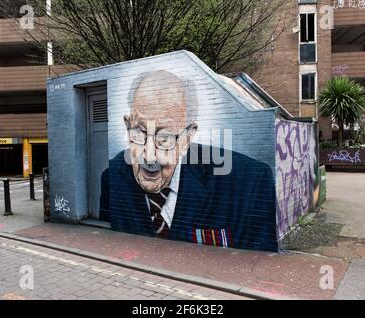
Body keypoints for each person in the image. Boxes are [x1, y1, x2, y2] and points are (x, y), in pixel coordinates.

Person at [100, 70, 277, 251]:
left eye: (165, 137)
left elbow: (260, 262)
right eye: (139, 131)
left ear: (186, 138)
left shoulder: (249, 183)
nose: (149, 155)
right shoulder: (112, 177)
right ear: (127, 126)